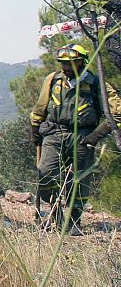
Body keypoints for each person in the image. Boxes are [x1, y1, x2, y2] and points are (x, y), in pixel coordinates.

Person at [29, 43, 121, 234]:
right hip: (54, 134)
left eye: (71, 63)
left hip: (83, 138)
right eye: (63, 63)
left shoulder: (97, 83)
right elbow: (39, 109)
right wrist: (35, 131)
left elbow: (118, 114)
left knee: (78, 182)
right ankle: (55, 216)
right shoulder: (52, 80)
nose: (66, 67)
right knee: (45, 174)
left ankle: (73, 222)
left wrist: (96, 136)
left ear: (82, 62)